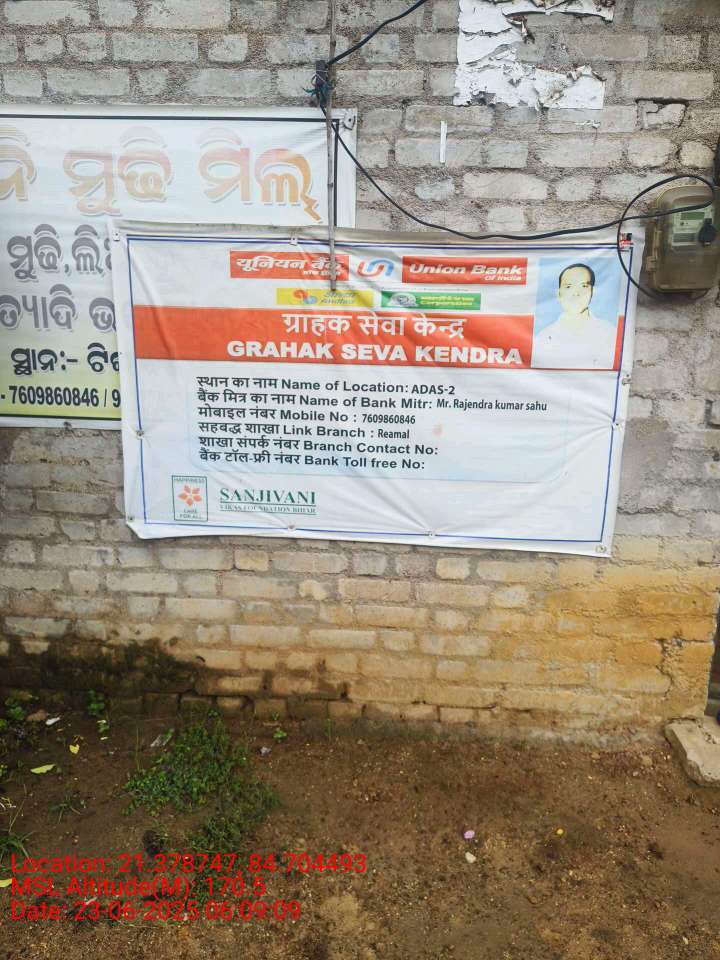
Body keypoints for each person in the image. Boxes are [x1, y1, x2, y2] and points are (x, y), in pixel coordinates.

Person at [531, 263, 619, 370]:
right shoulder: (543, 338)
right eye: (568, 287)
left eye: (583, 286)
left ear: (593, 291)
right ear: (558, 294)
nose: (576, 293)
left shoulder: (610, 333)